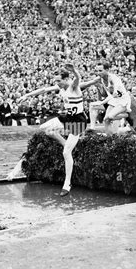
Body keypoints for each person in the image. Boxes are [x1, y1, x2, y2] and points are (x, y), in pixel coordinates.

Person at [13, 63, 99, 196]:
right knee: (45, 129)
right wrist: (27, 96)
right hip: (68, 118)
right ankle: (66, 144)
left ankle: (67, 183)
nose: (57, 83)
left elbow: (78, 78)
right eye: (56, 81)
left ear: (65, 79)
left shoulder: (73, 86)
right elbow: (43, 90)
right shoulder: (61, 87)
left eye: (59, 81)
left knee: (66, 153)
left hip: (78, 121)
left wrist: (74, 70)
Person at [90, 62, 132, 135]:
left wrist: (115, 91)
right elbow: (107, 96)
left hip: (123, 100)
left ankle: (126, 116)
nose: (98, 73)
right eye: (97, 71)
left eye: (100, 71)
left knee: (110, 117)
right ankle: (109, 137)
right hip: (113, 100)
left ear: (107, 70)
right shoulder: (100, 81)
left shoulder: (113, 77)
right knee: (106, 120)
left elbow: (115, 84)